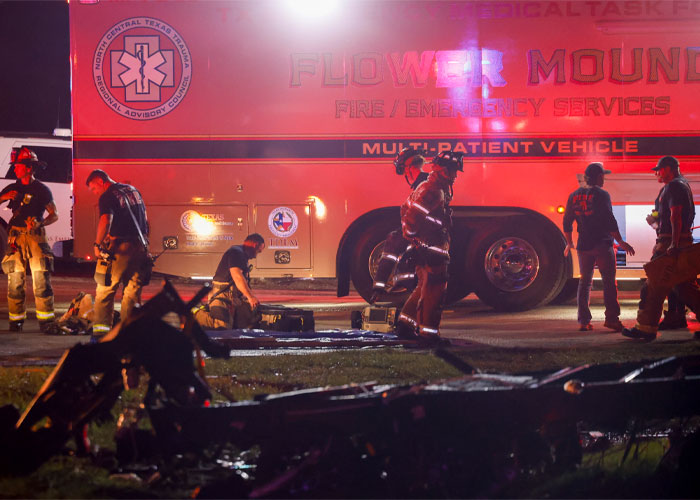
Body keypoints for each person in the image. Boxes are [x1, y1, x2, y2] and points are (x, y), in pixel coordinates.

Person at [623, 156, 700, 341]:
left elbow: (676, 215)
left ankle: (646, 329)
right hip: (680, 241)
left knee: (653, 286)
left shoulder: (673, 186)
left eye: (659, 170)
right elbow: (671, 215)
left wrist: (672, 243)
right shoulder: (683, 185)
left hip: (670, 244)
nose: (656, 173)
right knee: (685, 290)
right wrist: (657, 221)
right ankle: (646, 328)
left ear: (668, 169)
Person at [395, 151, 462, 344]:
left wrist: (415, 242)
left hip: (426, 247)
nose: (455, 176)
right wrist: (420, 241)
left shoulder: (427, 186)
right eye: (453, 171)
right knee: (435, 291)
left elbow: (405, 209)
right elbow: (412, 219)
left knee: (423, 287)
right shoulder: (433, 190)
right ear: (443, 170)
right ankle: (429, 335)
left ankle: (405, 324)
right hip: (432, 249)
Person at [562, 162, 635, 332]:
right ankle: (611, 319)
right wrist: (621, 242)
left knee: (585, 282)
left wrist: (569, 242)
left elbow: (567, 221)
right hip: (602, 243)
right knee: (609, 282)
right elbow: (609, 219)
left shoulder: (574, 195)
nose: (604, 179)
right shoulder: (602, 195)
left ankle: (583, 321)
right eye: (603, 176)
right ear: (599, 176)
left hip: (583, 246)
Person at [0, 148, 59, 332]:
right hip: (15, 239)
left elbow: (54, 215)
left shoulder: (42, 190)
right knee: (15, 281)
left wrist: (40, 222)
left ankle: (46, 322)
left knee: (41, 279)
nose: (15, 170)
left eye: (18, 166)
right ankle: (15, 321)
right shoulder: (12, 188)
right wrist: (3, 197)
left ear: (28, 168)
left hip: (36, 238)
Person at [86, 169, 150, 337]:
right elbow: (145, 217)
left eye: (94, 188)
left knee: (105, 291)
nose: (95, 192)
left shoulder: (107, 196)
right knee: (132, 292)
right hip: (140, 246)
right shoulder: (132, 190)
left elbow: (106, 220)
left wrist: (97, 244)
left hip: (120, 248)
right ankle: (129, 334)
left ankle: (101, 335)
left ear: (100, 181)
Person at [370, 147, 428, 302]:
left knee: (396, 241)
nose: (404, 175)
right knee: (396, 241)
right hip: (420, 234)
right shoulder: (422, 184)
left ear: (408, 168)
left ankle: (385, 289)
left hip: (422, 235)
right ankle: (385, 288)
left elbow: (419, 215)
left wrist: (407, 230)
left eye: (402, 170)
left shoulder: (424, 186)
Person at [194, 233, 266, 330]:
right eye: (258, 251)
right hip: (222, 296)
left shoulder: (242, 255)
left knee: (243, 324)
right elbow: (237, 276)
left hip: (233, 297)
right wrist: (251, 297)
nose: (256, 255)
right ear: (255, 245)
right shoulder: (236, 252)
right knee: (223, 329)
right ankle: (197, 317)